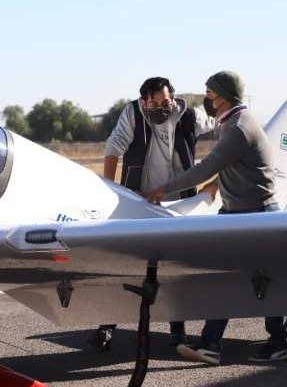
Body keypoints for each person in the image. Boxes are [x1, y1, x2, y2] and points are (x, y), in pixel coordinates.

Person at [143, 71, 287, 365]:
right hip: (237, 214)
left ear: (223, 97)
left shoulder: (238, 128)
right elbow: (236, 169)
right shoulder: (233, 123)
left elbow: (206, 167)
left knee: (260, 279)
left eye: (210, 94)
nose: (206, 99)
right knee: (234, 277)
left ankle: (273, 343)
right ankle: (213, 343)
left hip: (254, 215)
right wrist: (217, 185)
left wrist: (163, 189)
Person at [92, 77, 214, 349]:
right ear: (144, 102)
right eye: (155, 104)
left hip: (178, 204)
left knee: (175, 269)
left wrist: (216, 181)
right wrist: (110, 189)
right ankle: (107, 326)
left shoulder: (189, 116)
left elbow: (225, 123)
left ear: (173, 99)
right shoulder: (133, 114)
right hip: (139, 202)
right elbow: (114, 147)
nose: (161, 108)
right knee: (123, 267)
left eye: (166, 102)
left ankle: (178, 330)